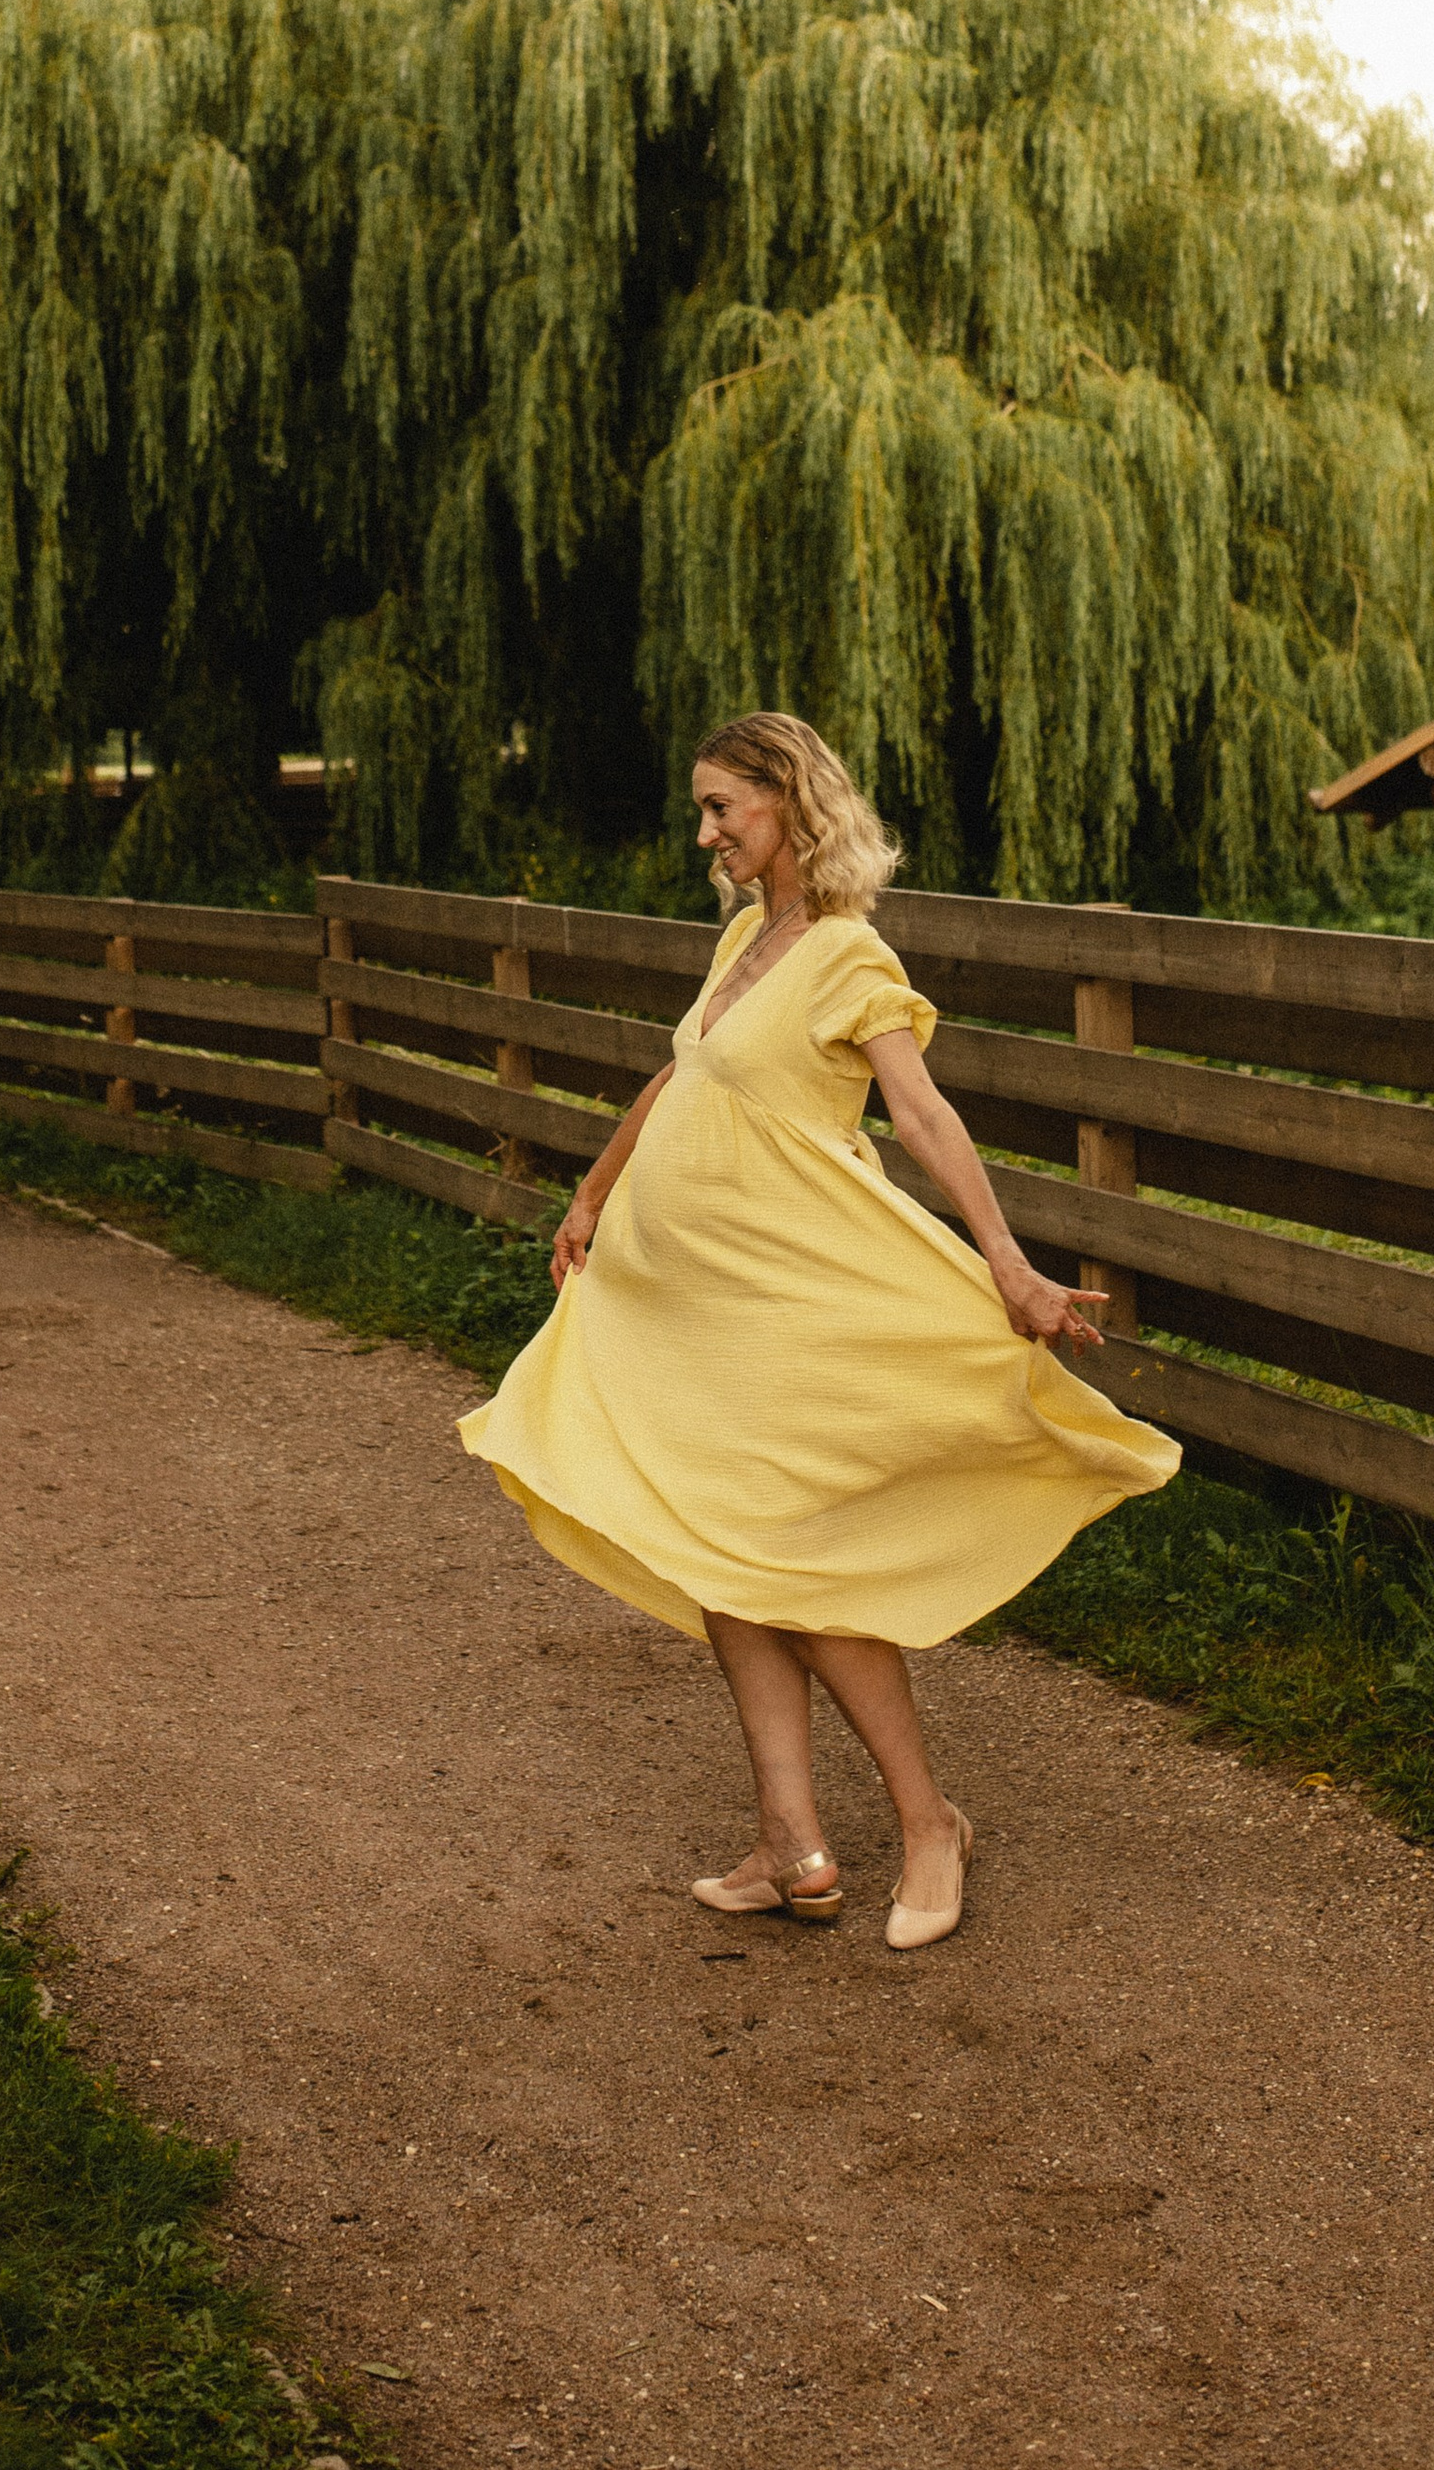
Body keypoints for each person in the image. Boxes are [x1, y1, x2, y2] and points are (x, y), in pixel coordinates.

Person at [458, 712, 1178, 1950]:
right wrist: (589, 1192)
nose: (706, 832)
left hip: (790, 1305)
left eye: (722, 806)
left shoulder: (847, 954)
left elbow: (925, 1115)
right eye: (702, 807)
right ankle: (789, 1841)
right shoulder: (745, 934)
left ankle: (928, 1821)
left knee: (798, 1570)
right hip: (693, 1306)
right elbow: (679, 1072)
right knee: (720, 1551)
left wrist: (1006, 1261)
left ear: (789, 800)